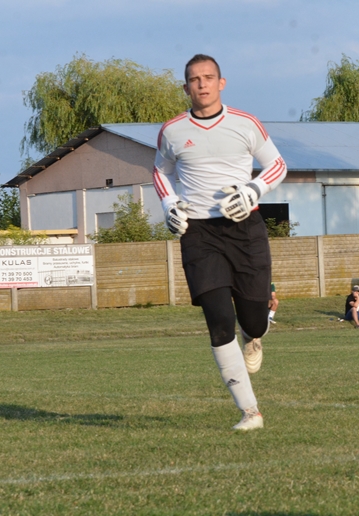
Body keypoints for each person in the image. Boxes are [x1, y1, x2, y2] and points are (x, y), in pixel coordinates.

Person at [154, 54, 287, 431]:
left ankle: (255, 335)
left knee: (253, 319)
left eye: (208, 77)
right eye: (194, 79)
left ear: (221, 83)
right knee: (218, 320)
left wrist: (253, 188)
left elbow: (277, 164)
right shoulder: (172, 131)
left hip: (245, 228)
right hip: (199, 233)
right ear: (186, 87)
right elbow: (159, 171)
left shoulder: (246, 124)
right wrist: (169, 204)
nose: (202, 84)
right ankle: (250, 412)